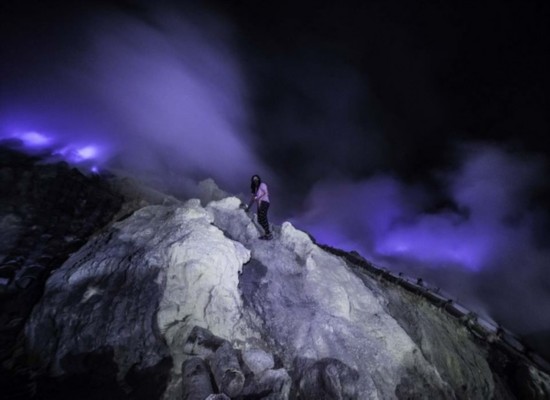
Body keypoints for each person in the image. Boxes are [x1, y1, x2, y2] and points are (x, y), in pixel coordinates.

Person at [245, 174, 272, 240]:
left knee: (263, 216)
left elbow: (266, 193)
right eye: (254, 180)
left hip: (264, 202)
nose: (255, 180)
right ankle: (267, 233)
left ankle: (268, 234)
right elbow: (252, 199)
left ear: (259, 179)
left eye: (256, 179)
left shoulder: (262, 185)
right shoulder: (255, 189)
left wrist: (258, 198)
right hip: (259, 204)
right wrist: (248, 208)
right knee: (259, 220)